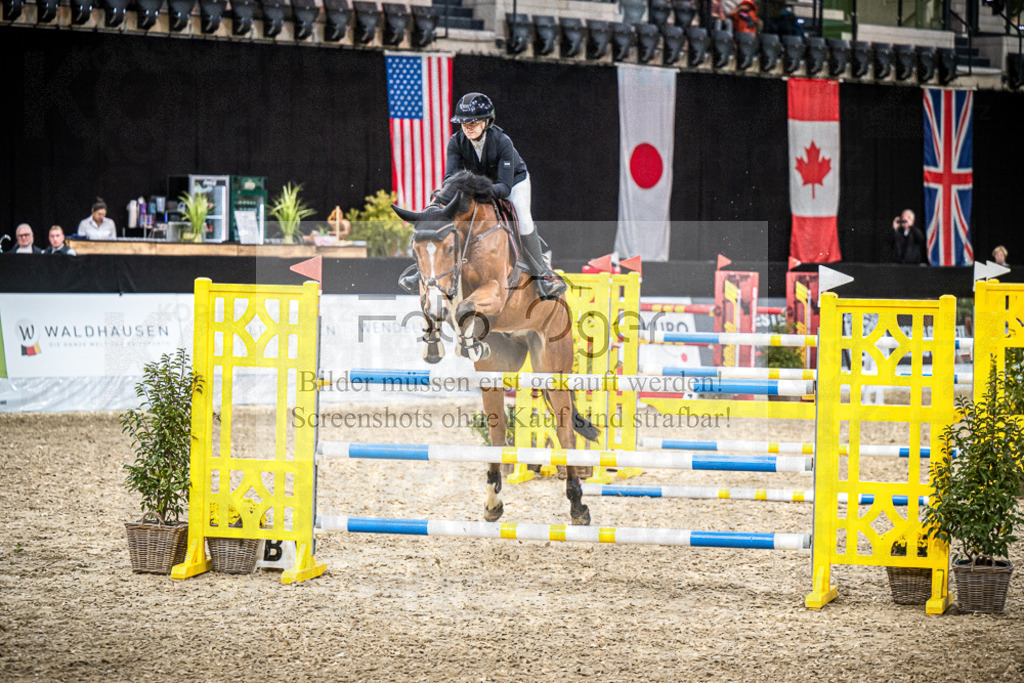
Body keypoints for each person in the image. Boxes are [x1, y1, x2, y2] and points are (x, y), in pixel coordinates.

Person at [401, 92, 565, 300]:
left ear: (487, 121)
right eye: (463, 123)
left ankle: (542, 274)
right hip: (476, 186)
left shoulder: (502, 141)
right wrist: (450, 196)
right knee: (439, 205)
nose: (467, 128)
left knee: (523, 218)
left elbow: (504, 189)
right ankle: (421, 272)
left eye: (473, 123)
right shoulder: (456, 141)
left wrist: (472, 189)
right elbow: (449, 179)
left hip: (513, 183)